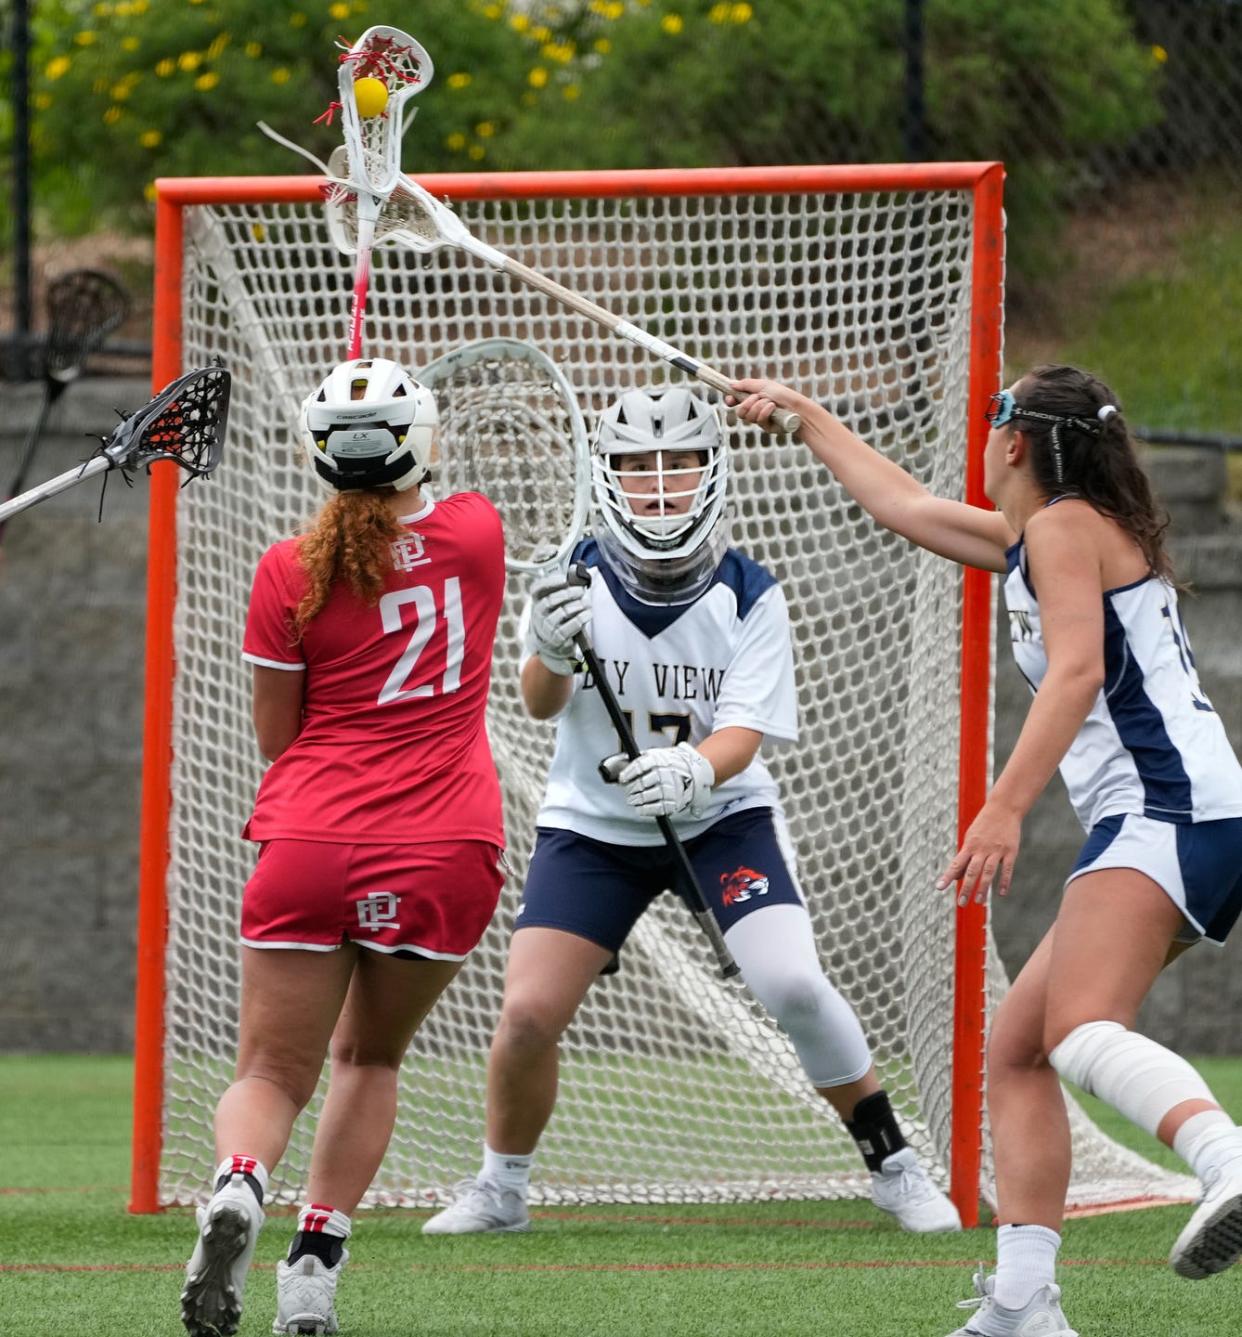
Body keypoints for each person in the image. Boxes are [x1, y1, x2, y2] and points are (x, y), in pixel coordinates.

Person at [729, 366, 1242, 1337]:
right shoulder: (1039, 535)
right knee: (1019, 1050)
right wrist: (809, 419)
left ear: (1016, 440)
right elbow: (907, 506)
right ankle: (1022, 1302)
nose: (986, 424)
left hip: (1167, 808)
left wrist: (1003, 806)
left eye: (995, 412)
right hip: (1190, 816)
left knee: (1084, 1026)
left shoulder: (1059, 528)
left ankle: (1225, 1155)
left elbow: (1081, 666)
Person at [420, 384, 960, 1239]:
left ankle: (893, 1161)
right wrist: (554, 649)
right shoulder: (570, 577)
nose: (660, 482)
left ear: (713, 471)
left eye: (680, 462)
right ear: (609, 476)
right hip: (594, 827)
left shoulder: (750, 591)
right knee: (526, 1012)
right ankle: (501, 1186)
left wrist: (689, 768)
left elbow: (742, 732)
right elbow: (538, 701)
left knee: (791, 984)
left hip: (720, 819)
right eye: (638, 465)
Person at [180, 358, 507, 1337]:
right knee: (369, 1057)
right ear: (421, 444)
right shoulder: (478, 532)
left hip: (312, 836)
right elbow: (424, 509)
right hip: (446, 844)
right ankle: (314, 1268)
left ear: (319, 458)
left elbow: (277, 735)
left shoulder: (287, 567)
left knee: (271, 1073)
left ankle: (241, 1181)